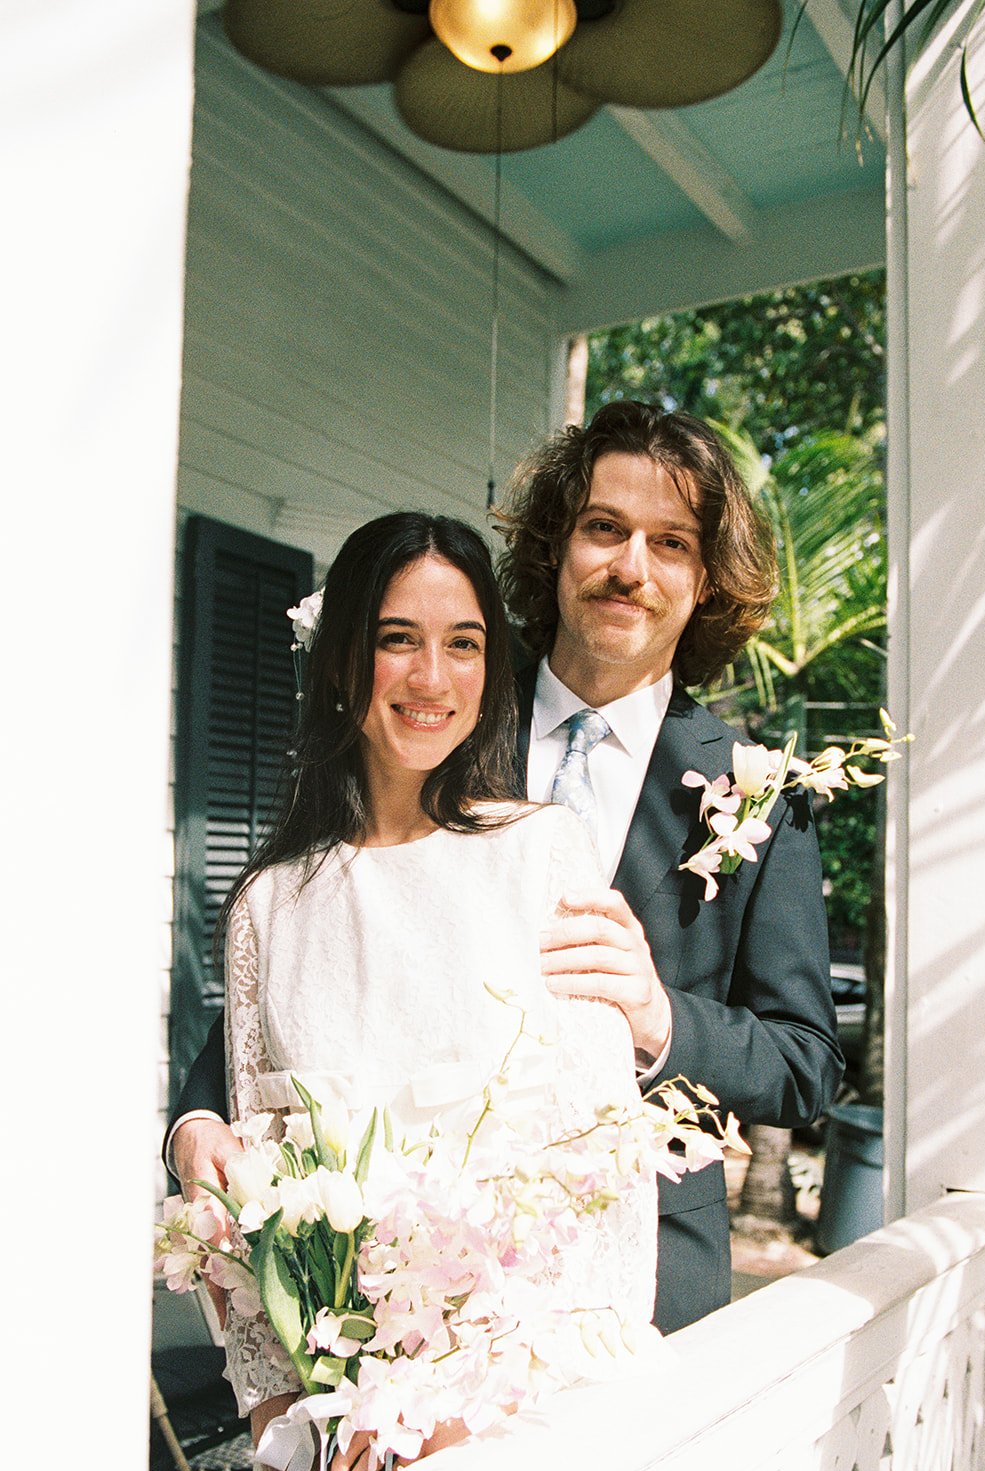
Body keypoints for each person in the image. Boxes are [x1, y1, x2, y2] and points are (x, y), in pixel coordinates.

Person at [169, 400, 842, 1336]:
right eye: (603, 528)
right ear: (554, 546)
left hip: (642, 1279)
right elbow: (311, 945)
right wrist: (196, 1117)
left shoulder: (762, 792)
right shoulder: (441, 701)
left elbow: (806, 1065)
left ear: (705, 580)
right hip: (393, 1278)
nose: (629, 567)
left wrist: (656, 1016)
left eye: (672, 543)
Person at [211, 510, 655, 1471]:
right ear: (339, 662)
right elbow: (250, 1214)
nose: (432, 677)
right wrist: (288, 1428)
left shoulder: (540, 855)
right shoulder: (266, 908)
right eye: (396, 639)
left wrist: (446, 1415)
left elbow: (602, 1189)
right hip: (328, 1458)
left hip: (511, 1435)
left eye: (463, 644)